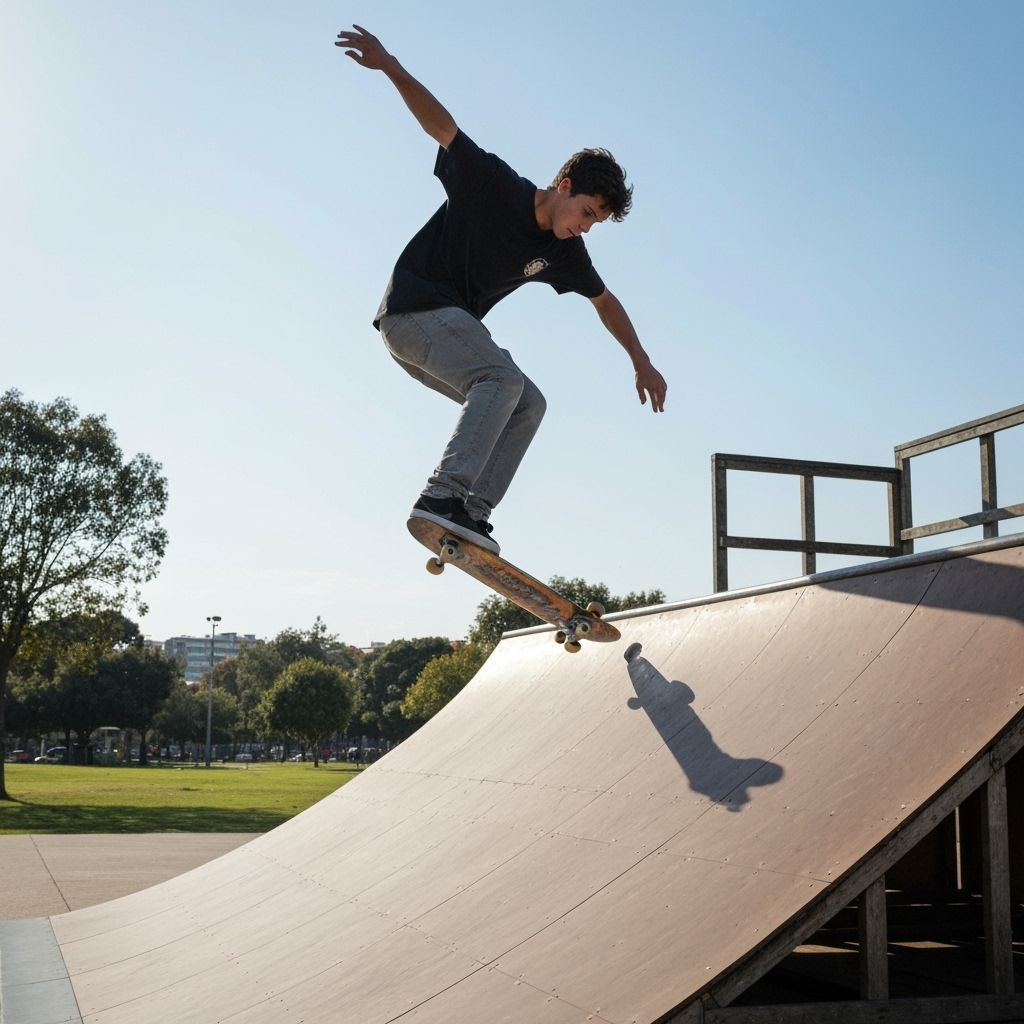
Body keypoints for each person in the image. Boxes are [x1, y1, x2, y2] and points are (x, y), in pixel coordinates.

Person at [336, 25, 667, 555]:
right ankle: (442, 494)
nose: (585, 227)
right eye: (585, 212)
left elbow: (605, 301)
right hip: (413, 311)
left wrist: (640, 360)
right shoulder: (494, 184)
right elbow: (443, 128)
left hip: (442, 336)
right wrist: (390, 65)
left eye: (595, 223)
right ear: (563, 187)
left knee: (528, 403)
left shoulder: (565, 251)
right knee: (501, 378)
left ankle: (470, 512)